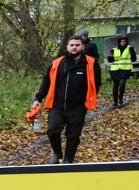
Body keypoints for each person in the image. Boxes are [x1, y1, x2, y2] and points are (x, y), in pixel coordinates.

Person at [32, 34, 101, 164]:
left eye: (77, 45)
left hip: (78, 106)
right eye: (72, 45)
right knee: (52, 130)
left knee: (73, 135)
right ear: (67, 47)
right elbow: (46, 81)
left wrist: (89, 99)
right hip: (57, 105)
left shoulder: (91, 63)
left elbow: (96, 83)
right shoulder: (57, 63)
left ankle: (68, 160)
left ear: (83, 46)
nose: (74, 48)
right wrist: (38, 98)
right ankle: (57, 153)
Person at [106, 35, 137, 107]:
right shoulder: (114, 49)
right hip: (115, 69)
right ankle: (115, 102)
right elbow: (110, 61)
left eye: (124, 41)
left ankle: (120, 99)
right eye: (121, 41)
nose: (122, 43)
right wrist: (110, 57)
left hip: (125, 69)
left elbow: (133, 59)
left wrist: (132, 51)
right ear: (119, 42)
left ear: (126, 42)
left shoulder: (130, 49)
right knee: (115, 86)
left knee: (122, 83)